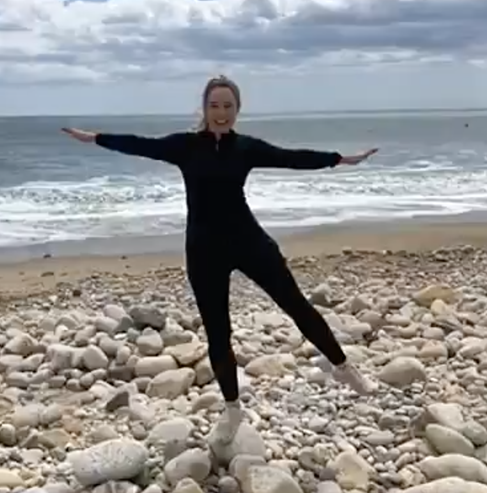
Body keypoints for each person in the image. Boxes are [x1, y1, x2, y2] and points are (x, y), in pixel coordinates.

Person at [61, 75, 379, 443]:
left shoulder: (246, 147)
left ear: (237, 110)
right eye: (215, 105)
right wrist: (96, 138)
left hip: (249, 241)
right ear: (205, 108)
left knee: (296, 305)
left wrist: (340, 160)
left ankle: (343, 367)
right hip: (204, 250)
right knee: (218, 334)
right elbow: (139, 145)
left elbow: (291, 158)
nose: (222, 113)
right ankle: (232, 411)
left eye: (228, 106)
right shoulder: (184, 146)